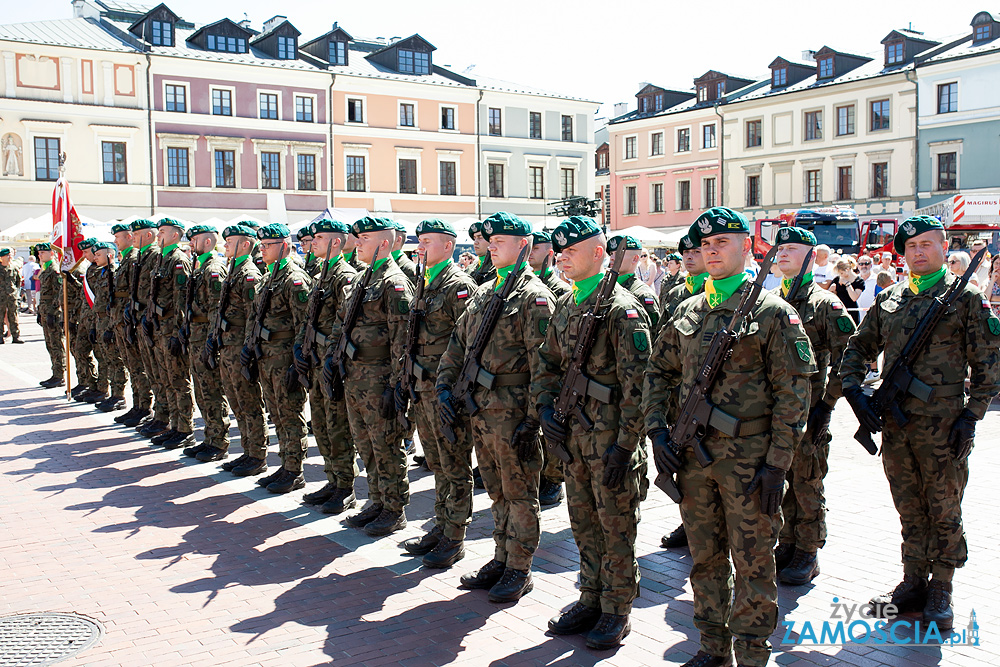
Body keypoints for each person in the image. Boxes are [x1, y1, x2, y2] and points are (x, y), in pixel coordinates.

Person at [643, 206, 815, 667]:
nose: (711, 251)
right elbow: (657, 373)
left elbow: (794, 395)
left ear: (746, 247)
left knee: (754, 562)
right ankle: (712, 647)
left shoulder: (774, 312)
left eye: (722, 242)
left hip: (750, 460)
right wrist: (657, 430)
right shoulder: (687, 309)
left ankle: (753, 654)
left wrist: (778, 464)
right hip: (693, 458)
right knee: (705, 558)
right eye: (705, 245)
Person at [840, 215, 1000, 632]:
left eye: (927, 244)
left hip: (944, 427)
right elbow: (857, 348)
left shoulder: (966, 298)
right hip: (896, 425)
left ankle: (941, 587)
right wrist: (855, 392)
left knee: (944, 508)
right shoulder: (890, 298)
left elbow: (989, 366)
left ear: (944, 247)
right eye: (911, 247)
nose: (918, 252)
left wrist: (972, 416)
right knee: (909, 506)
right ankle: (913, 582)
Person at [535, 216, 651, 650]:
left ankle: (617, 607)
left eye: (571, 249)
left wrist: (626, 446)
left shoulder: (623, 310)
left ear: (599, 253)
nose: (561, 255)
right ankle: (591, 595)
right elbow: (548, 364)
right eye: (559, 250)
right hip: (574, 437)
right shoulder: (565, 303)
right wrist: (545, 406)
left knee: (615, 527)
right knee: (582, 521)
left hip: (611, 441)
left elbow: (640, 386)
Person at [436, 211, 554, 604]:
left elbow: (545, 365)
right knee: (498, 492)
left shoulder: (534, 297)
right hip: (482, 411)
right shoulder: (487, 292)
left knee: (520, 493)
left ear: (523, 244)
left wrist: (533, 420)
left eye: (499, 240)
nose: (491, 246)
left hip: (514, 412)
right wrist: (443, 388)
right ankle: (501, 556)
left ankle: (519, 567)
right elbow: (458, 346)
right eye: (489, 241)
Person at [771, 227, 855, 586]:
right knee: (784, 478)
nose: (782, 254)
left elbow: (851, 357)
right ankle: (788, 542)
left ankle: (808, 549)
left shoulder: (825, 304)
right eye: (780, 248)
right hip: (776, 411)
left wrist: (828, 404)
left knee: (807, 481)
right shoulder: (770, 301)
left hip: (809, 410)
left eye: (791, 248)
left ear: (810, 256)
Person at [395, 219, 479, 568]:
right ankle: (442, 525)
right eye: (419, 241)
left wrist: (453, 391)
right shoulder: (423, 281)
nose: (420, 247)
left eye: (427, 241)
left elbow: (469, 344)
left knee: (455, 463)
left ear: (448, 246)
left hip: (446, 392)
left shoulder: (458, 286)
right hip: (422, 388)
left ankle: (455, 535)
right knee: (437, 463)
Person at [327, 217, 414, 536]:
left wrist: (397, 385)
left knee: (386, 445)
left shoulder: (394, 283)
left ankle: (394, 508)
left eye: (364, 238)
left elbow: (402, 340)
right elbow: (341, 322)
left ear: (385, 244)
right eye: (358, 237)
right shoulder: (361, 278)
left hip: (380, 379)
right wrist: (333, 359)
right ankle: (376, 501)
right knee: (366, 444)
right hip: (354, 376)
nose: (358, 242)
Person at [293, 218, 359, 513]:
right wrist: (301, 345)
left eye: (319, 237)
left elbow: (343, 322)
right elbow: (309, 317)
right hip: (316, 358)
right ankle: (333, 479)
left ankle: (345, 486)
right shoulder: (323, 273)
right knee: (319, 422)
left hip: (330, 361)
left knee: (337, 425)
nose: (313, 241)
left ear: (336, 242)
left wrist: (332, 357)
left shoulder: (344, 276)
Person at [214, 224, 268, 478]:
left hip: (239, 346)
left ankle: (257, 455)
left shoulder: (249, 274)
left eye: (230, 241)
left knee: (248, 401)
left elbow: (252, 315)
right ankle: (247, 451)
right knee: (236, 401)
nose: (225, 245)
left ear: (244, 245)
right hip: (228, 344)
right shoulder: (233, 270)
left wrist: (248, 348)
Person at [181, 225, 231, 462]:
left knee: (211, 390)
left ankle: (219, 442)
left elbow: (216, 309)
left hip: (206, 337)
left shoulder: (213, 268)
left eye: (196, 239)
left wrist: (212, 341)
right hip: (196, 335)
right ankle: (209, 438)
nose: (191, 243)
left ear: (209, 242)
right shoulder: (199, 266)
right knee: (202, 391)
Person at [528, 229, 570, 507]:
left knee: (551, 431)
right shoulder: (525, 285)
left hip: (555, 373)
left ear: (550, 253)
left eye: (537, 248)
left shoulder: (558, 290)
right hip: (533, 371)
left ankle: (553, 480)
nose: (531, 252)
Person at [148, 218, 196, 450]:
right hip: (159, 329)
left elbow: (181, 300)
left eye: (163, 232)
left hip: (171, 330)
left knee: (178, 380)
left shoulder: (178, 260)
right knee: (166, 380)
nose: (158, 235)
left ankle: (185, 429)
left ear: (175, 236)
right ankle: (174, 425)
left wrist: (179, 333)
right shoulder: (161, 258)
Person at [110, 223, 152, 427]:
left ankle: (144, 406)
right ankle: (138, 405)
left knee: (139, 366)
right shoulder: (128, 259)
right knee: (132, 365)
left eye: (119, 237)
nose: (116, 241)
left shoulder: (135, 258)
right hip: (126, 319)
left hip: (136, 319)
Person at [133, 219, 170, 438]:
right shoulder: (144, 257)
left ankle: (168, 420)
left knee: (166, 376)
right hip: (146, 321)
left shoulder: (158, 256)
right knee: (154, 373)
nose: (133, 237)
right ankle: (159, 415)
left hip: (161, 325)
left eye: (137, 234)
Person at [88, 242, 127, 411]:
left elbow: (115, 303)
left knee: (115, 360)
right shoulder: (103, 273)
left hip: (109, 321)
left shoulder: (113, 273)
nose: (95, 257)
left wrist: (111, 327)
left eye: (98, 254)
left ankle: (119, 396)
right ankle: (113, 394)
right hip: (100, 321)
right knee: (107, 359)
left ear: (110, 255)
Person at [608, 236, 659, 331]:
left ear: (635, 259)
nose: (612, 258)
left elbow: (653, 335)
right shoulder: (607, 288)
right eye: (611, 253)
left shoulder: (643, 294)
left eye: (618, 253)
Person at [36, 244, 66, 387]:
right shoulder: (45, 269)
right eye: (39, 253)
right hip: (45, 310)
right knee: (50, 343)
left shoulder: (54, 270)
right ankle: (55, 372)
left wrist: (53, 312)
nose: (40, 255)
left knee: (56, 343)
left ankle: (59, 375)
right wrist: (39, 310)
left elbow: (58, 293)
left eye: (43, 252)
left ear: (52, 254)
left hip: (52, 313)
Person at [828, 259, 865, 323]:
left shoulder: (859, 281)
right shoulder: (837, 279)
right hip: (838, 310)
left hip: (851, 311)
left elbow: (854, 297)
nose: (841, 275)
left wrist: (847, 284)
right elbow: (831, 296)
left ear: (847, 269)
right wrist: (830, 290)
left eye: (842, 273)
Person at [0, 248, 23, 344]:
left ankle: (16, 336)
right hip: (1, 296)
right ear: (1, 258)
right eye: (7, 256)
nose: (10, 257)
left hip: (11, 296)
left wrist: (14, 292)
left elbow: (18, 282)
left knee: (13, 315)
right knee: (0, 316)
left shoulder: (13, 268)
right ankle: (0, 337)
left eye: (10, 255)